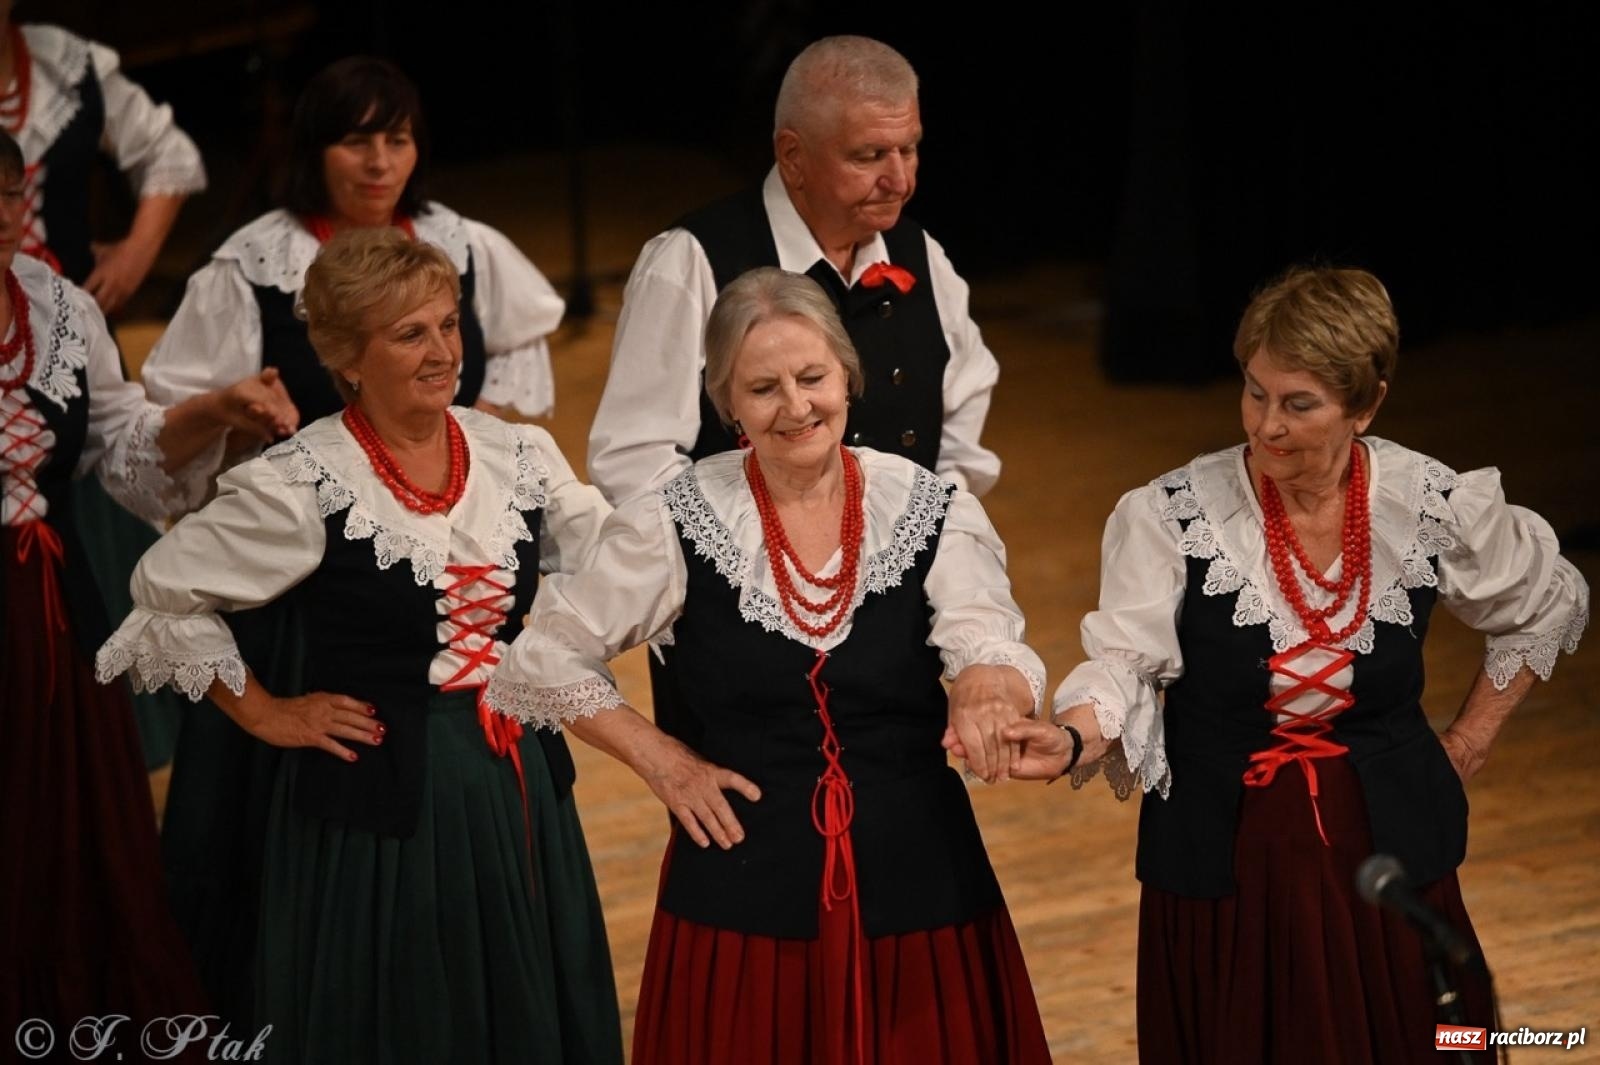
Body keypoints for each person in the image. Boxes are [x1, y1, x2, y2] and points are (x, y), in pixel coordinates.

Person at [996, 267, 1590, 1064]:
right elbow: (1124, 665)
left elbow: (1545, 597)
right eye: (1255, 392)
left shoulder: (1425, 501)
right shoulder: (1173, 515)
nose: (1266, 425)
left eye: (1298, 403)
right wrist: (1071, 739)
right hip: (1230, 851)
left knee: (1430, 1035)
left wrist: (1470, 740)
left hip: (1383, 844)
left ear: (1366, 404)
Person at [487, 267, 1051, 1065]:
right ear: (729, 405)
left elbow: (988, 636)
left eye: (813, 377)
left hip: (920, 875)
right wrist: (663, 761)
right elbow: (543, 657)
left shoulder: (926, 506)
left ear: (847, 376)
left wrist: (990, 688)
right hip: (743, 889)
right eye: (763, 388)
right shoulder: (677, 521)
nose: (795, 407)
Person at [96, 228, 623, 1064]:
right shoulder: (303, 481)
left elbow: (620, 562)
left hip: (518, 783)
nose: (443, 350)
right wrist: (266, 711)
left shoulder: (516, 454)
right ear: (347, 355)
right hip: (384, 810)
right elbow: (161, 588)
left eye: (449, 325)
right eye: (410, 333)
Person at [136, 54, 567, 1023]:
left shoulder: (459, 243)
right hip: (311, 609)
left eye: (398, 137)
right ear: (313, 150)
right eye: (355, 139)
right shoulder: (254, 265)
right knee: (298, 874)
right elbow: (160, 454)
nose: (380, 162)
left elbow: (515, 400)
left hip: (447, 607)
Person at [0, 126, 291, 1047]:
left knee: (73, 838)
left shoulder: (58, 310)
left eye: (8, 197)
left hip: (48, 611)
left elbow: (124, 455)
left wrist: (212, 408)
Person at [587, 34, 1001, 503]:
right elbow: (635, 461)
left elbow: (964, 410)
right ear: (793, 156)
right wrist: (745, 559)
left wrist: (927, 526)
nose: (900, 181)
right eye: (868, 156)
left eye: (908, 150)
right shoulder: (691, 261)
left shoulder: (919, 251)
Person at [3, 2, 213, 770]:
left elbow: (170, 157)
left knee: (84, 557)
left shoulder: (64, 63)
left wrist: (132, 255)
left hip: (57, 355)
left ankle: (113, 755)